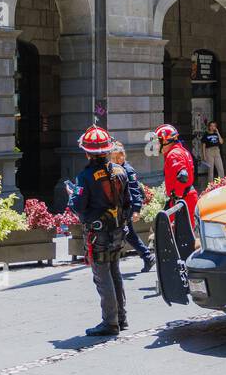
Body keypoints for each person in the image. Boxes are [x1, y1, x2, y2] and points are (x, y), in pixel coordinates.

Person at [69, 127, 130, 336]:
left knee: (102, 276)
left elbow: (77, 205)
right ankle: (121, 317)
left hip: (98, 234)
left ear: (87, 152)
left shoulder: (85, 176)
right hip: (118, 230)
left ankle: (110, 322)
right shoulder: (121, 171)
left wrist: (72, 194)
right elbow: (128, 202)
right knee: (115, 272)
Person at [111, 141, 153, 273]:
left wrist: (136, 210)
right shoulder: (114, 168)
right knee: (128, 234)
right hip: (121, 207)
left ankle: (147, 256)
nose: (116, 160)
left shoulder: (128, 170)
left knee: (125, 233)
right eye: (113, 158)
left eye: (118, 157)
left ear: (123, 156)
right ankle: (147, 256)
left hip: (127, 208)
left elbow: (135, 191)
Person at [156, 123, 199, 243]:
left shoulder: (174, 154)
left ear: (166, 140)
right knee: (183, 234)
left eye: (159, 140)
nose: (158, 144)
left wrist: (177, 196)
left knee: (183, 237)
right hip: (186, 197)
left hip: (183, 199)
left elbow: (183, 176)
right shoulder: (181, 150)